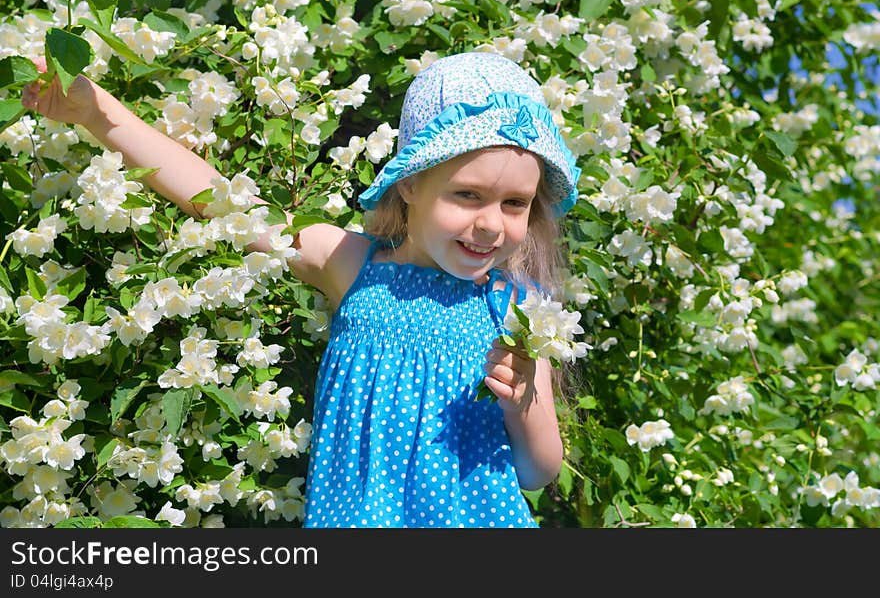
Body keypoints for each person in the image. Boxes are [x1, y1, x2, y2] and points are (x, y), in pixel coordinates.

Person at [21, 51, 582, 528]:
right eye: (467, 195)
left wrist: (523, 399)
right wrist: (100, 115)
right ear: (410, 183)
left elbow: (538, 471)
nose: (492, 224)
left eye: (515, 204)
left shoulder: (516, 309)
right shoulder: (350, 263)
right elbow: (222, 202)